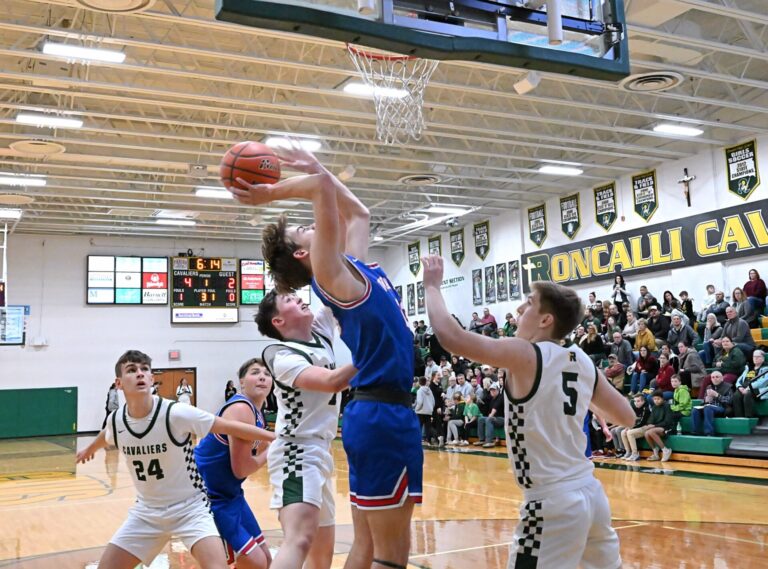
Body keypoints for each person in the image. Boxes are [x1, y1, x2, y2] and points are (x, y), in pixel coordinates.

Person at [234, 144, 421, 569]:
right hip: (374, 412)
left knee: (364, 546)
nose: (313, 224)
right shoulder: (329, 274)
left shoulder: (351, 268)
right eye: (304, 229)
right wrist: (270, 194)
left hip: (381, 412)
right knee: (383, 553)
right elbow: (321, 189)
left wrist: (318, 166)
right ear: (305, 254)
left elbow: (359, 214)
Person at [422, 254, 634, 569]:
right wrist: (580, 397)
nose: (520, 309)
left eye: (529, 302)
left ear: (545, 320)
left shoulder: (525, 353)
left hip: (551, 503)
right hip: (591, 495)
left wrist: (431, 287)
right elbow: (626, 417)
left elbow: (452, 337)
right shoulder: (581, 360)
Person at [76, 350, 275, 569]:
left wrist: (275, 438)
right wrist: (89, 449)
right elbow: (106, 433)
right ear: (119, 383)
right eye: (132, 370)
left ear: (152, 378)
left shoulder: (176, 412)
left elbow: (229, 426)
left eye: (144, 369)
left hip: (191, 508)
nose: (140, 374)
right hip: (147, 512)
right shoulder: (116, 420)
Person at [256, 291, 359, 569]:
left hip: (321, 451)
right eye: (289, 300)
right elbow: (332, 381)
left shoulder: (320, 332)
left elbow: (336, 289)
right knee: (299, 540)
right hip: (296, 452)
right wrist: (375, 351)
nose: (299, 299)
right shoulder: (282, 356)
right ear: (278, 321)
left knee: (321, 555)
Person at [194, 359, 274, 569]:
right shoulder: (241, 408)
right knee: (255, 561)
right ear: (241, 382)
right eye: (255, 372)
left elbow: (260, 448)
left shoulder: (257, 413)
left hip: (230, 495)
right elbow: (241, 470)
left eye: (267, 374)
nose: (262, 377)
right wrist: (273, 450)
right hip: (209, 496)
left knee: (266, 560)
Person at [691, 371, 734, 436]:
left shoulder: (728, 387)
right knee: (695, 410)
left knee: (708, 408)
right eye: (713, 377)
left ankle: (709, 432)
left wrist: (717, 395)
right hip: (709, 406)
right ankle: (695, 432)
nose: (715, 379)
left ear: (722, 378)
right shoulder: (709, 387)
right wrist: (706, 400)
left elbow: (729, 401)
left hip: (722, 408)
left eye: (717, 377)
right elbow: (704, 401)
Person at [732, 350, 768, 418]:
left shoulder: (766, 368)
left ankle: (749, 417)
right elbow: (739, 379)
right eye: (754, 356)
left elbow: (763, 382)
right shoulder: (748, 368)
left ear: (763, 358)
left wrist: (749, 388)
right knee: (736, 395)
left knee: (748, 394)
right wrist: (739, 387)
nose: (755, 358)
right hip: (745, 388)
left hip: (760, 390)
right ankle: (739, 418)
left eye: (758, 357)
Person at [614, 394, 650, 460]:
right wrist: (628, 427)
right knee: (623, 432)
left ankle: (635, 453)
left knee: (629, 432)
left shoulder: (646, 409)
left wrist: (631, 427)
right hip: (638, 427)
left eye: (638, 401)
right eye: (635, 401)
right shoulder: (635, 408)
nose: (636, 403)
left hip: (645, 427)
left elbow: (641, 422)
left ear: (643, 401)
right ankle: (628, 452)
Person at [643, 390, 675, 462]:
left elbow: (667, 422)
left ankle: (666, 450)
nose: (656, 401)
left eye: (658, 399)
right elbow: (651, 419)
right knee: (646, 433)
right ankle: (655, 453)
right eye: (654, 399)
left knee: (651, 431)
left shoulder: (667, 406)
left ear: (662, 399)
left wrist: (654, 426)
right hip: (657, 427)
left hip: (667, 428)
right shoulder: (654, 407)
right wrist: (649, 425)